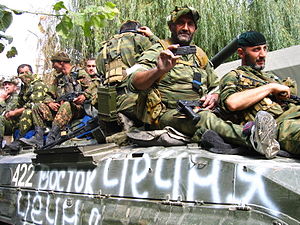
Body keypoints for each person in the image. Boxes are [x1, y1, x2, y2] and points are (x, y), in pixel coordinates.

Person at [128, 6, 278, 158]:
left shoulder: (198, 55)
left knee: (233, 108)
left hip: (199, 108)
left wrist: (215, 95)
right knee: (203, 119)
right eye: (181, 23)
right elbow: (134, 82)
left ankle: (274, 133)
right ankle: (252, 137)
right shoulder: (158, 51)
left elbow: (216, 85)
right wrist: (159, 70)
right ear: (171, 26)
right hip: (167, 114)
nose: (186, 28)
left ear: (195, 29)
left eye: (190, 24)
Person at [219, 31, 299, 156]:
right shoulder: (234, 76)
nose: (263, 55)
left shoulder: (270, 77)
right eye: (256, 50)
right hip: (280, 126)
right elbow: (232, 102)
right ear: (241, 53)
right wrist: (270, 88)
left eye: (265, 49)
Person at [21, 52, 96, 148]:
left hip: (77, 108)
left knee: (67, 105)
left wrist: (84, 96)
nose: (53, 66)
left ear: (61, 63)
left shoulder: (78, 73)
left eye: (54, 63)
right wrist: (50, 102)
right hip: (60, 109)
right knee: (37, 107)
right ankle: (38, 138)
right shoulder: (58, 79)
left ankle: (52, 136)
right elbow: (48, 95)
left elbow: (92, 88)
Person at [96, 20, 159, 128]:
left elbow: (99, 70)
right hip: (134, 98)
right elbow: (162, 54)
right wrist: (152, 36)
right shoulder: (140, 39)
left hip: (108, 102)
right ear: (140, 30)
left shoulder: (105, 46)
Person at [4, 64, 51, 153]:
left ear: (32, 73)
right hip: (31, 115)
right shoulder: (24, 88)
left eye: (27, 72)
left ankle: (19, 140)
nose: (25, 75)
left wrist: (16, 112)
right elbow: (19, 105)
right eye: (22, 73)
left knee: (27, 111)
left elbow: (34, 104)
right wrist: (10, 113)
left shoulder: (38, 84)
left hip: (42, 114)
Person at [0, 77, 19, 149]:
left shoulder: (15, 97)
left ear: (15, 87)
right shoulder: (6, 96)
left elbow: (5, 114)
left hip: (13, 124)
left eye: (9, 84)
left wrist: (2, 100)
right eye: (5, 84)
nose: (6, 86)